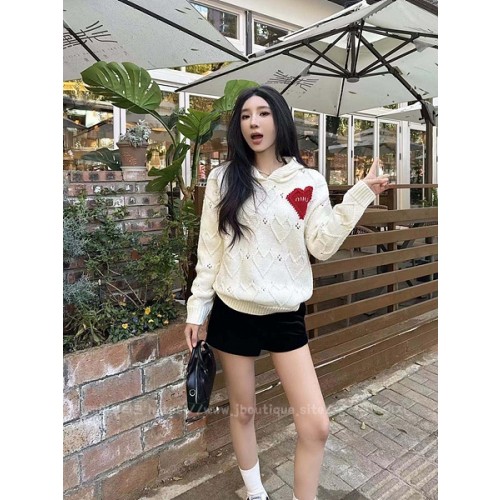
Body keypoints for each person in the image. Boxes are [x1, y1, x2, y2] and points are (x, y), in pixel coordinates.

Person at [184, 85, 389, 500]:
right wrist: (197, 309)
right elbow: (210, 249)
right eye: (245, 116)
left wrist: (360, 195)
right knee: (244, 411)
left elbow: (322, 246)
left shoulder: (308, 181)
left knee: (316, 426)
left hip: (285, 315)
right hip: (233, 311)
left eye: (263, 113)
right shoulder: (224, 179)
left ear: (279, 119)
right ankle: (256, 493)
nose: (253, 123)